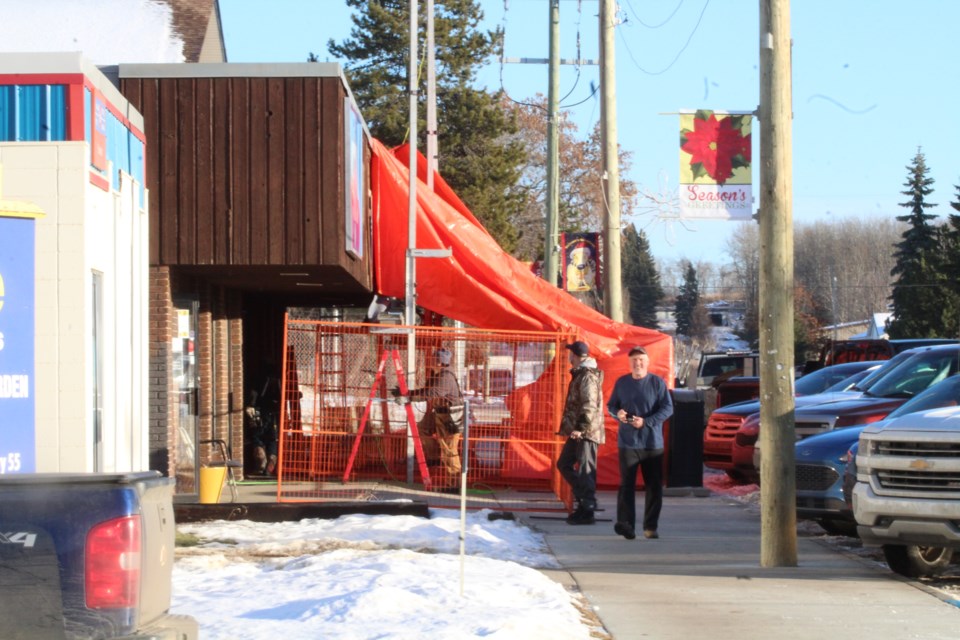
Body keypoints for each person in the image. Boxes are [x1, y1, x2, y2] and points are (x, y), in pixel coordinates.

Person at [606, 345, 674, 540]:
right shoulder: (622, 383)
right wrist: (617, 414)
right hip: (627, 443)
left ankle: (650, 526)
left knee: (653, 486)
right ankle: (626, 525)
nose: (638, 363)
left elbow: (668, 409)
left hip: (652, 443)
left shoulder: (657, 383)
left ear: (647, 362)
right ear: (629, 363)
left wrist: (646, 422)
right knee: (626, 485)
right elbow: (612, 406)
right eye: (634, 360)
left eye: (641, 360)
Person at [397, 348, 464, 491]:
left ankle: (454, 485)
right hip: (440, 414)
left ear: (440, 362)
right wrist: (408, 393)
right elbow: (426, 390)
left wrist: (409, 397)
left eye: (434, 359)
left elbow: (432, 392)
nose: (430, 361)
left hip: (450, 418)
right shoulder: (437, 374)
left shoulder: (446, 377)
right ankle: (434, 456)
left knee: (449, 450)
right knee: (423, 428)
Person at [556, 340, 605, 525]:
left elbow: (589, 404)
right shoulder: (581, 375)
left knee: (585, 471)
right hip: (580, 431)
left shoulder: (587, 376)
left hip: (586, 432)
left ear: (575, 356)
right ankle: (585, 502)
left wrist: (580, 428)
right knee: (564, 464)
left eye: (570, 354)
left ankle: (587, 508)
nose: (569, 357)